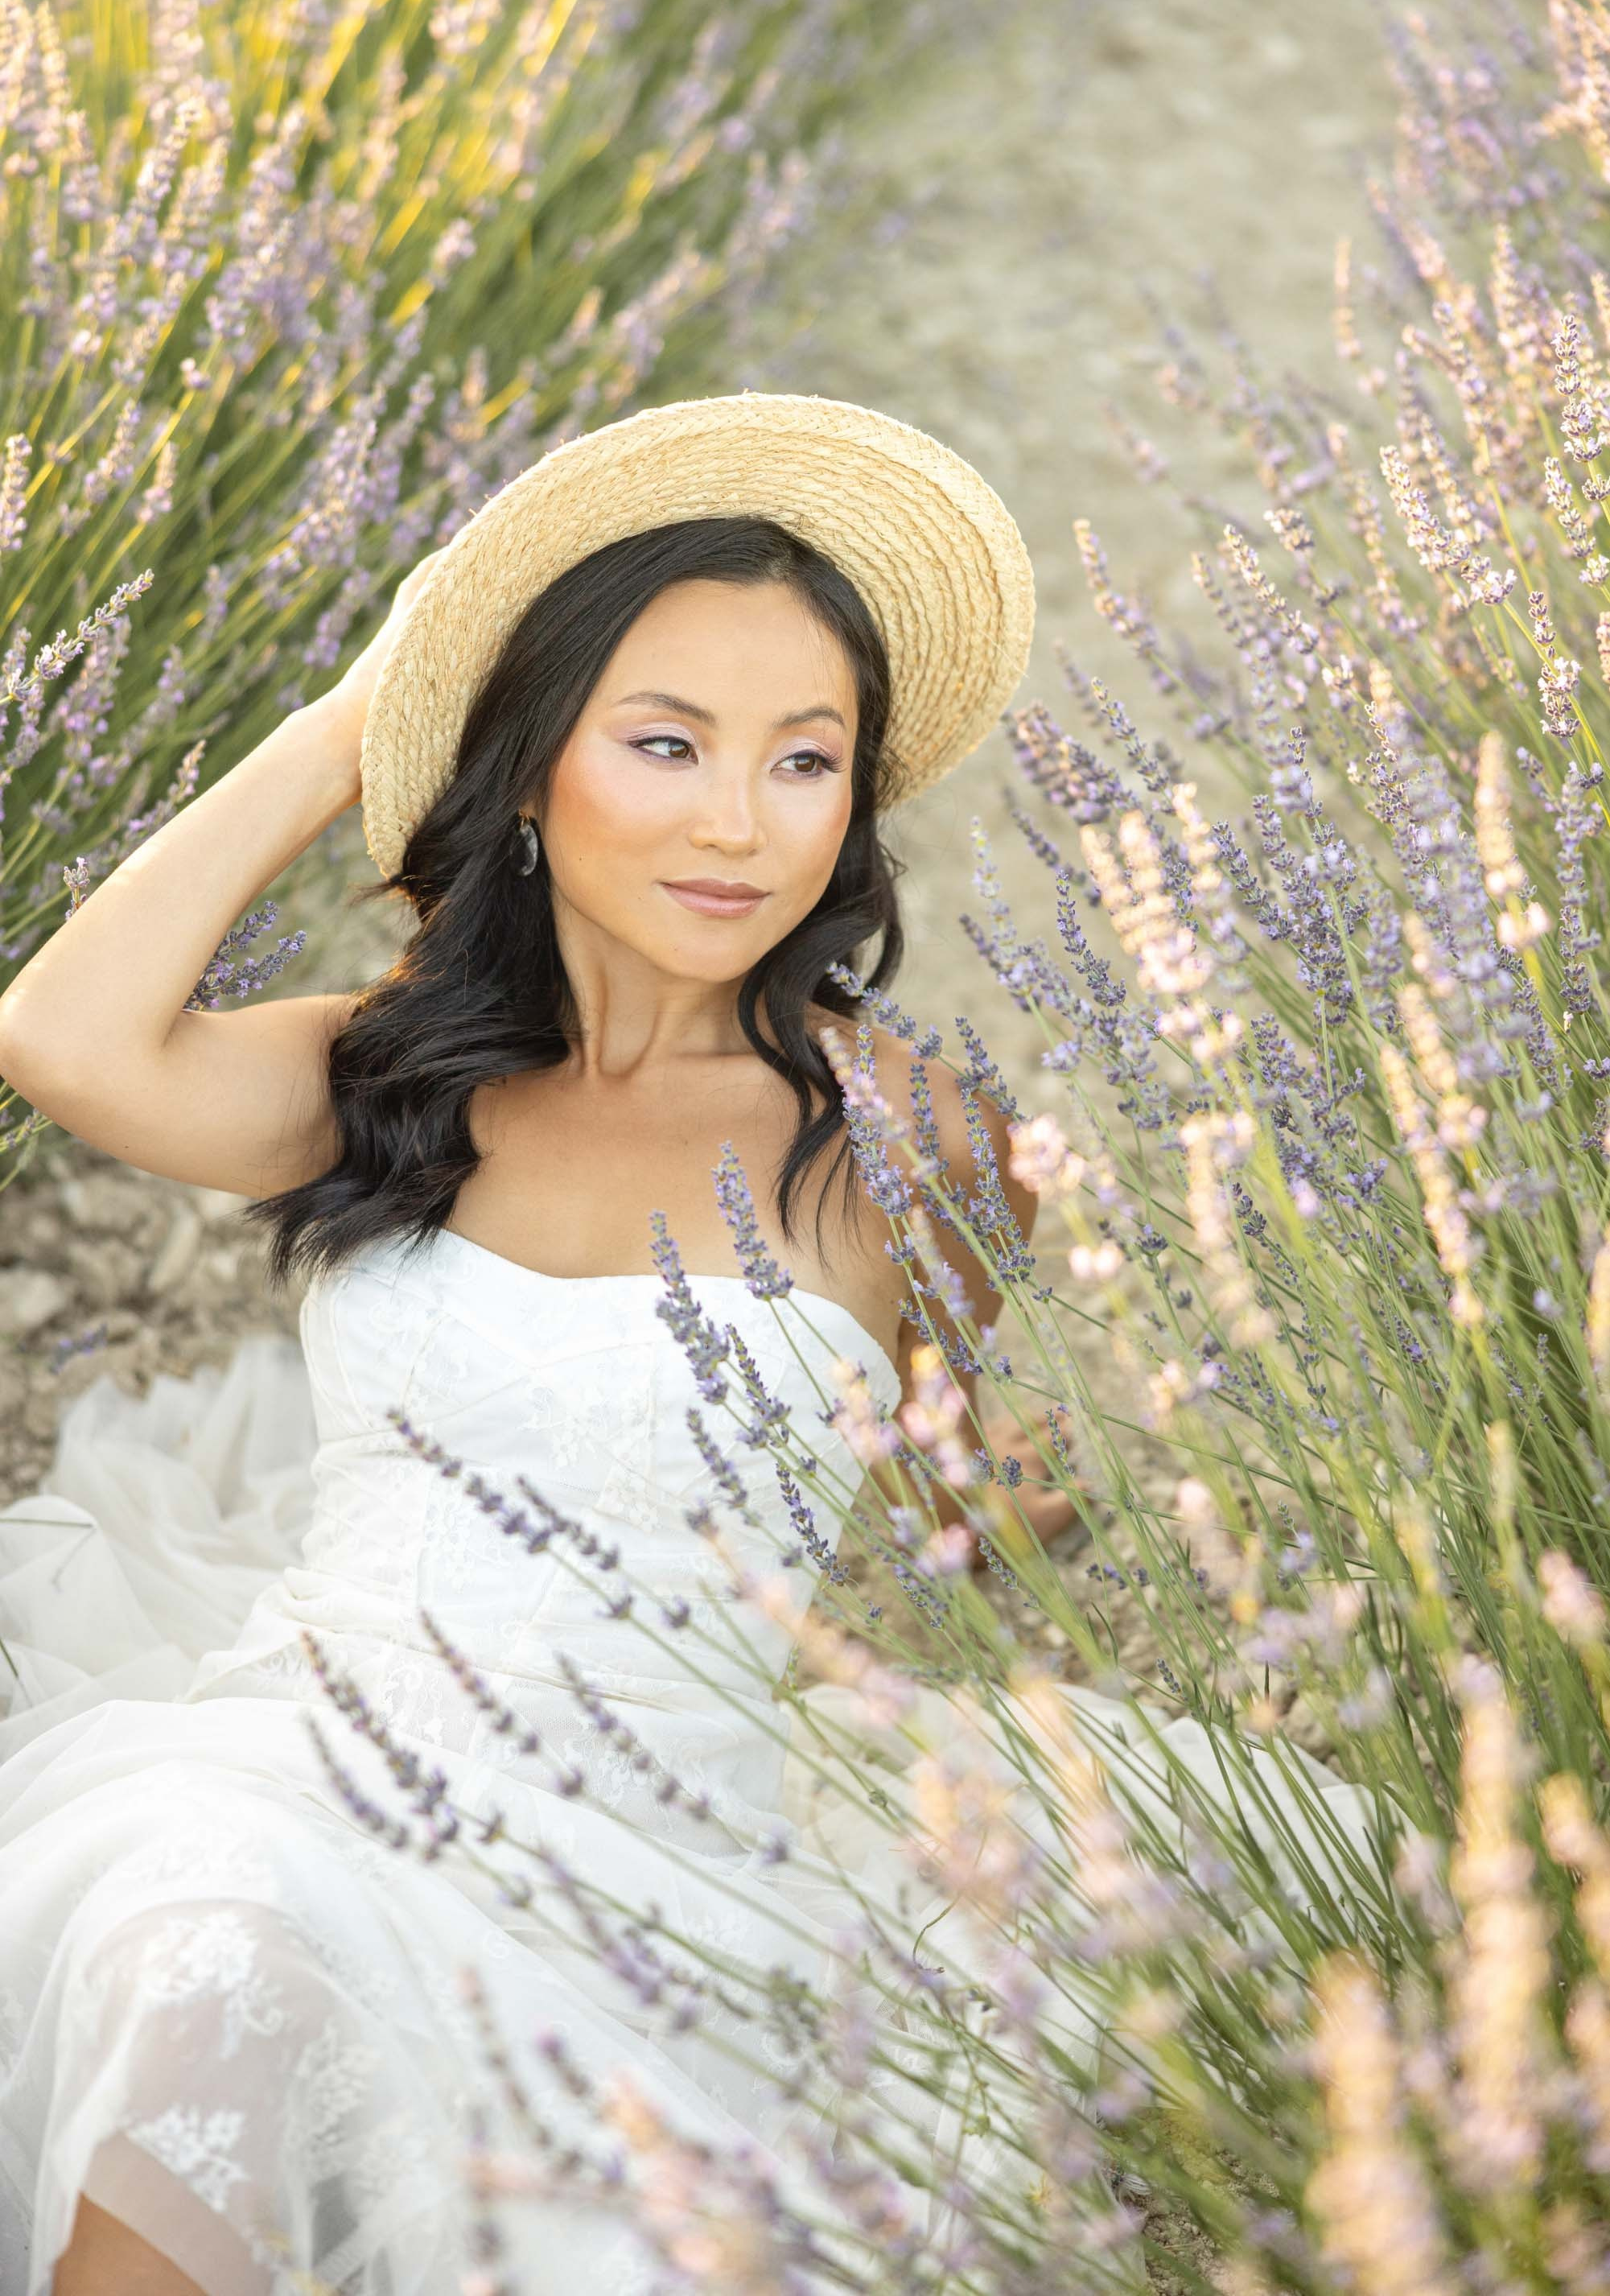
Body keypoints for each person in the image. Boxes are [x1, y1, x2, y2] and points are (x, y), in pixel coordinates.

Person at [0, 391, 1382, 2294]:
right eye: (664, 745)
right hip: (304, 1755)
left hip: (654, 1853)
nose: (741, 823)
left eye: (805, 762)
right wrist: (351, 727)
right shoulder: (390, 1078)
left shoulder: (912, 1143)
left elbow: (916, 1481)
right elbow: (62, 1036)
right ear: (530, 772)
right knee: (205, 1940)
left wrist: (983, 1511)